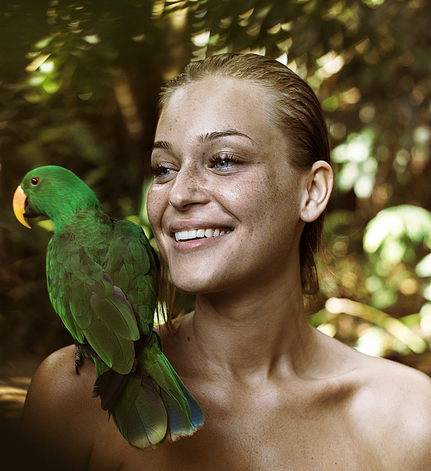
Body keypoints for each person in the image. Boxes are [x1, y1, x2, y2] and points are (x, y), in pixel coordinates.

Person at [21, 53, 431, 470]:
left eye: (223, 161)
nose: (179, 194)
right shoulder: (71, 396)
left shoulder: (411, 421)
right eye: (163, 168)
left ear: (312, 192)